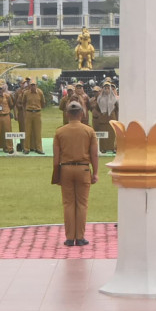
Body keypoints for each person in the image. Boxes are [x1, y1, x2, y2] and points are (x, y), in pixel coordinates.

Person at [51, 101, 99, 247]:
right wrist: (95, 173)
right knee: (82, 204)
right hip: (83, 169)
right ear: (82, 113)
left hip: (65, 169)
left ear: (67, 114)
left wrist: (57, 174)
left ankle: (70, 238)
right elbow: (94, 155)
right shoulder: (89, 131)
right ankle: (80, 237)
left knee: (68, 204)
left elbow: (56, 157)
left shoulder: (60, 132)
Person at [20, 80, 45, 154]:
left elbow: (43, 103)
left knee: (37, 132)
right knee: (27, 131)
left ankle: (39, 148)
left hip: (37, 113)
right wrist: (26, 111)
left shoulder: (40, 92)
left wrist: (38, 108)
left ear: (36, 85)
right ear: (29, 86)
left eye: (34, 85)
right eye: (31, 85)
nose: (33, 86)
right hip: (29, 113)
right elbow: (23, 103)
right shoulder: (26, 93)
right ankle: (26, 148)